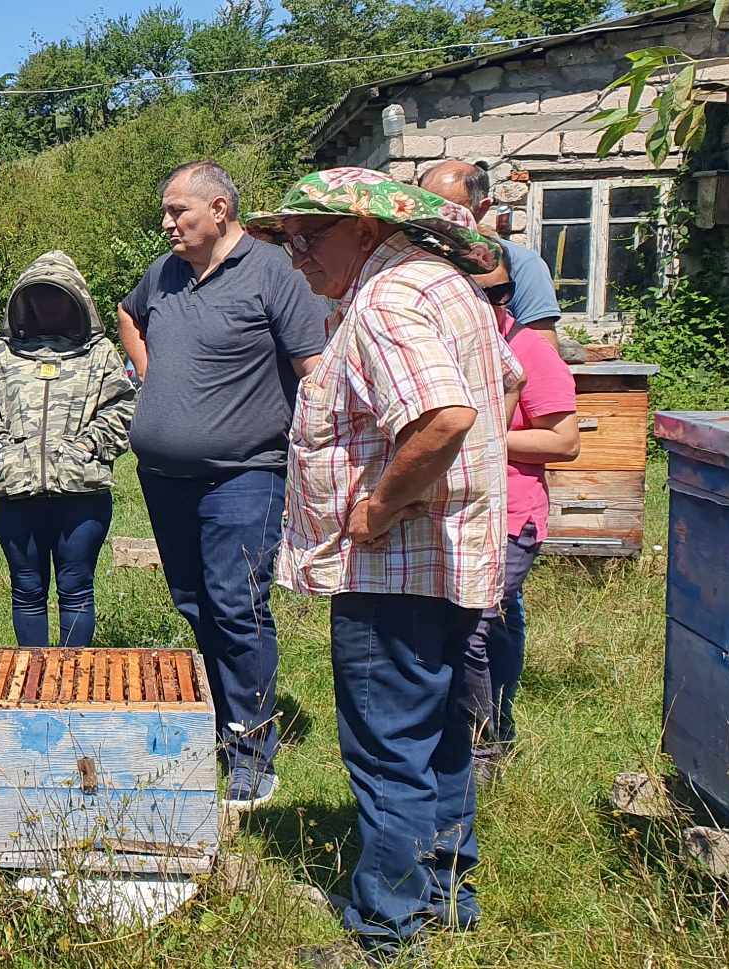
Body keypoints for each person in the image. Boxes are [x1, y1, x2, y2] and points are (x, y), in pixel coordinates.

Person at [246, 167, 521, 956]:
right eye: (288, 239)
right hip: (452, 557)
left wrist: (382, 504)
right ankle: (444, 892)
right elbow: (506, 382)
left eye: (310, 235)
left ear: (365, 229)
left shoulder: (388, 299)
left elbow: (443, 418)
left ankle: (384, 927)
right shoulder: (445, 286)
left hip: (394, 566)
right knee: (438, 731)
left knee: (387, 744)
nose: (297, 254)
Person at [116, 160, 328, 808]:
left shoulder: (273, 275)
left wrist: (322, 456)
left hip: (245, 474)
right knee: (195, 603)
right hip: (164, 477)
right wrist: (156, 381)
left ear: (219, 209)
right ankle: (220, 715)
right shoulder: (166, 274)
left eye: (178, 210)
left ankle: (252, 750)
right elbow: (128, 314)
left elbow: (314, 369)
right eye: (166, 212)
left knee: (237, 606)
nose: (167, 222)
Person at [422, 164, 582, 778]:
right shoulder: (453, 345)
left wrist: (488, 438)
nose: (485, 304)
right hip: (458, 509)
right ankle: (469, 733)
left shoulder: (530, 349)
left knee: (478, 625)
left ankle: (484, 746)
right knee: (464, 627)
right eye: (473, 293)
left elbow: (564, 440)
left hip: (511, 513)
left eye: (494, 295)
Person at [0, 251, 136, 648]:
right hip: (16, 495)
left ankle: (73, 685)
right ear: (25, 302)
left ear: (76, 301)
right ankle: (34, 684)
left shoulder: (101, 356)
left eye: (56, 296)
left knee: (76, 587)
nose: (48, 305)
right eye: (40, 296)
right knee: (26, 589)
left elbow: (123, 407)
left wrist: (89, 446)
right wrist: (0, 449)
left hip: (82, 495)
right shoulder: (1, 356)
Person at [418, 161, 565, 352]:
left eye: (449, 211)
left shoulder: (522, 264)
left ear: (482, 208)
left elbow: (543, 354)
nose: (434, 220)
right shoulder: (410, 258)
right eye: (423, 206)